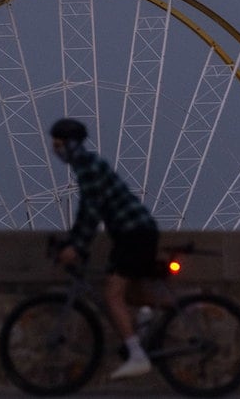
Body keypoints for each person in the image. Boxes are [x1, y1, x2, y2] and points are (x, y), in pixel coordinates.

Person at [49, 118, 160, 380]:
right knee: (131, 294)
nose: (55, 150)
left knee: (112, 295)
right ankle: (184, 313)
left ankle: (137, 355)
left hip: (133, 234)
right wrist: (74, 239)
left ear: (70, 144)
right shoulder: (88, 164)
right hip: (135, 233)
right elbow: (87, 212)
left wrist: (76, 246)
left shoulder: (87, 166)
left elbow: (91, 210)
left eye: (58, 144)